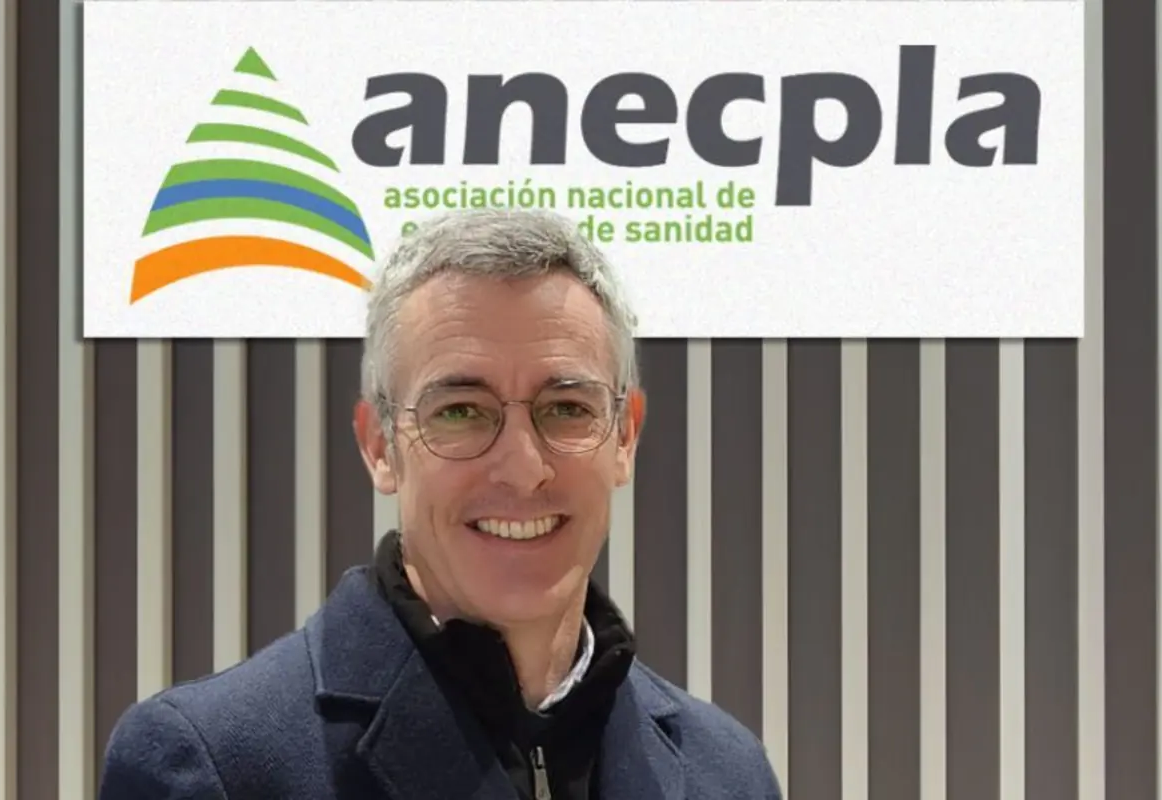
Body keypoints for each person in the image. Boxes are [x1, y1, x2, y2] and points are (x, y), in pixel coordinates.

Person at [98, 208, 783, 799]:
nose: (522, 467)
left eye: (567, 407)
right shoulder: (214, 764)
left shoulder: (727, 771)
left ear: (625, 437)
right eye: (461, 411)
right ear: (380, 446)